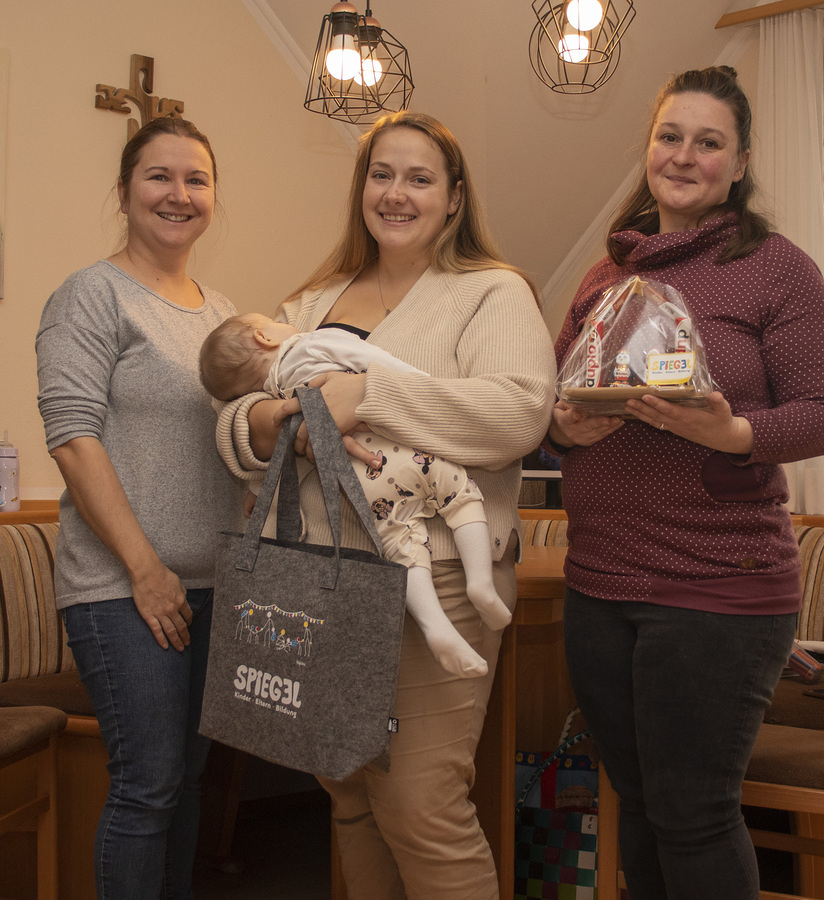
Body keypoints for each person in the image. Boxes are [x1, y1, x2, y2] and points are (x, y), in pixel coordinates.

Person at [214, 110, 556, 898]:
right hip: (317, 579)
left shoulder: (490, 293)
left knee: (421, 806)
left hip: (432, 575)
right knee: (349, 796)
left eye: (418, 177)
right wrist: (282, 422)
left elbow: (515, 416)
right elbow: (234, 420)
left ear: (454, 197)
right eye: (380, 174)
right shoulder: (309, 300)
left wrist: (362, 397)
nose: (395, 193)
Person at [548, 66, 824, 900]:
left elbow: (821, 415)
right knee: (639, 807)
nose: (683, 155)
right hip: (596, 584)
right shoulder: (604, 275)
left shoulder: (775, 269)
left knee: (693, 814)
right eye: (669, 136)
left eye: (707, 142)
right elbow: (551, 404)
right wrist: (562, 429)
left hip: (717, 586)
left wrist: (734, 433)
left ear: (739, 162)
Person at [35, 116, 244, 900]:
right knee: (148, 783)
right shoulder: (90, 295)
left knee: (186, 780)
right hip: (123, 589)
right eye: (159, 176)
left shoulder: (220, 308)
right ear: (123, 192)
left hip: (212, 586)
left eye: (196, 179)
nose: (178, 194)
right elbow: (72, 440)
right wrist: (145, 569)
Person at [199, 312, 513, 677]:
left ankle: (436, 628)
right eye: (272, 320)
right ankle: (481, 584)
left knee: (400, 543)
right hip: (396, 452)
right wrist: (427, 389)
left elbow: (291, 449)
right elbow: (380, 366)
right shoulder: (314, 342)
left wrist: (258, 487)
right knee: (459, 493)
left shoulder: (277, 393)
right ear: (264, 337)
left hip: (353, 481)